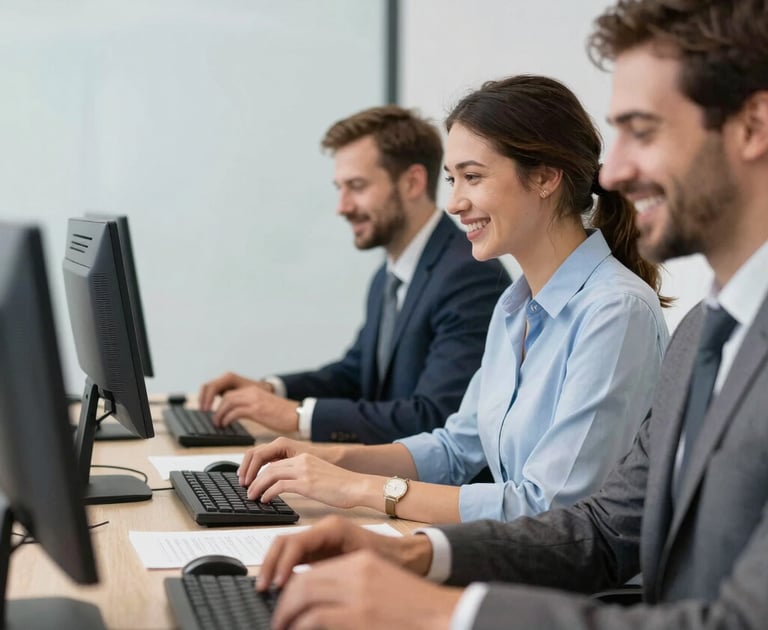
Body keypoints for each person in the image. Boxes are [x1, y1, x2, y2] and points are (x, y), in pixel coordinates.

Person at [253, 1, 768, 628]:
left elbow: (553, 508)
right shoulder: (699, 333)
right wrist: (413, 552)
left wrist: (437, 603)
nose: (615, 169)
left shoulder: (620, 310)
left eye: (645, 130)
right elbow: (601, 529)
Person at [237, 75, 669, 525]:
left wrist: (355, 488)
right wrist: (325, 459)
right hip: (514, 561)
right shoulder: (514, 306)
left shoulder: (615, 312)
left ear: (544, 177)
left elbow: (548, 508)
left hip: (577, 588)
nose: (454, 203)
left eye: (473, 177)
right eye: (452, 179)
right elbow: (454, 448)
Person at [199, 106, 509, 444]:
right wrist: (271, 389)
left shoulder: (468, 276)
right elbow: (357, 374)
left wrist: (295, 416)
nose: (342, 206)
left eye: (357, 186)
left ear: (412, 182)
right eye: (340, 188)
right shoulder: (389, 276)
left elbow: (435, 417)